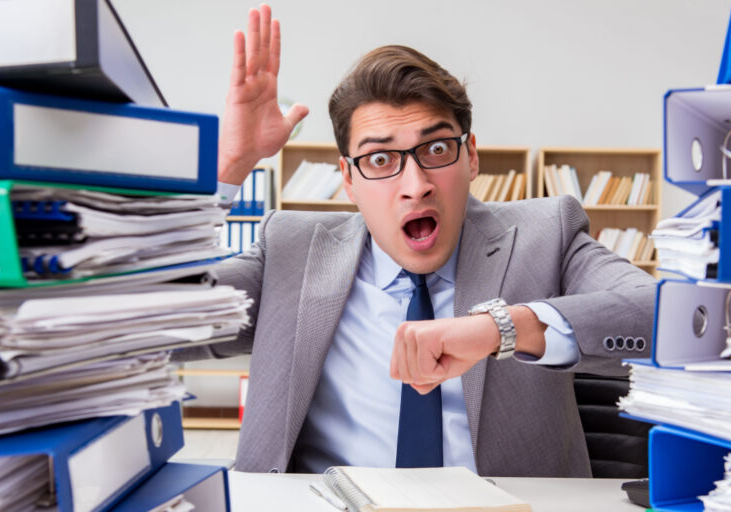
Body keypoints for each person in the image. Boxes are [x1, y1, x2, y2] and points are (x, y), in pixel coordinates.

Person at [184, 5, 656, 477]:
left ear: (471, 156)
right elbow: (134, 321)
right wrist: (227, 168)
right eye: (380, 159)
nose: (416, 184)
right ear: (348, 179)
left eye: (435, 149)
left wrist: (500, 328)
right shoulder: (289, 250)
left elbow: (669, 316)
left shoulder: (545, 235)